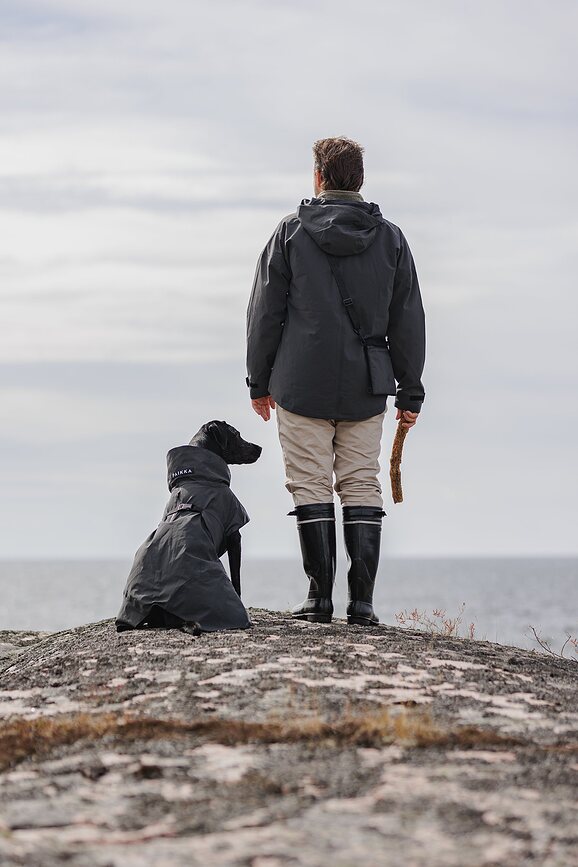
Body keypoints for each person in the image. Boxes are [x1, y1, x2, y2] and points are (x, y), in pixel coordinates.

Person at [246, 136, 426, 626]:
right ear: (360, 180)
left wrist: (257, 383)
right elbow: (407, 319)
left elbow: (265, 314)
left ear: (319, 177)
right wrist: (411, 391)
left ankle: (319, 599)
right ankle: (362, 605)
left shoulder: (289, 233)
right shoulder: (390, 239)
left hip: (300, 381)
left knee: (309, 483)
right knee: (361, 482)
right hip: (367, 386)